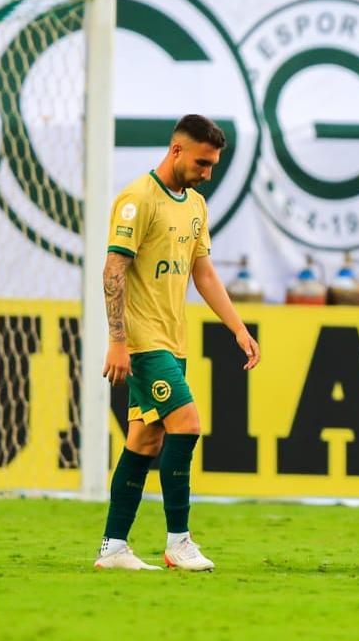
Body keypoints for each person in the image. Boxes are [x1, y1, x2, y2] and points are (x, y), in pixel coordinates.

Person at [95, 115, 261, 571]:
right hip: (143, 342)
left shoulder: (195, 206)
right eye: (203, 163)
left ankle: (113, 548)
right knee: (185, 425)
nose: (208, 173)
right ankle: (178, 541)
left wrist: (238, 328)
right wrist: (117, 341)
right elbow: (113, 271)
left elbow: (202, 271)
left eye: (213, 165)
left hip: (174, 339)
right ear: (176, 151)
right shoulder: (136, 199)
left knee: (144, 442)